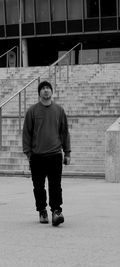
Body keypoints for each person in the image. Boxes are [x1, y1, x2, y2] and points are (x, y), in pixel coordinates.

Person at [22, 80, 71, 226]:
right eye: (43, 88)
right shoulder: (32, 111)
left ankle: (56, 211)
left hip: (55, 154)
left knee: (55, 185)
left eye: (48, 88)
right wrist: (28, 153)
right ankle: (42, 210)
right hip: (37, 156)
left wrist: (67, 152)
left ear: (52, 92)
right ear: (39, 93)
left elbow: (64, 132)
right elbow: (26, 133)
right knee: (38, 186)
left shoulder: (59, 110)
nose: (45, 90)